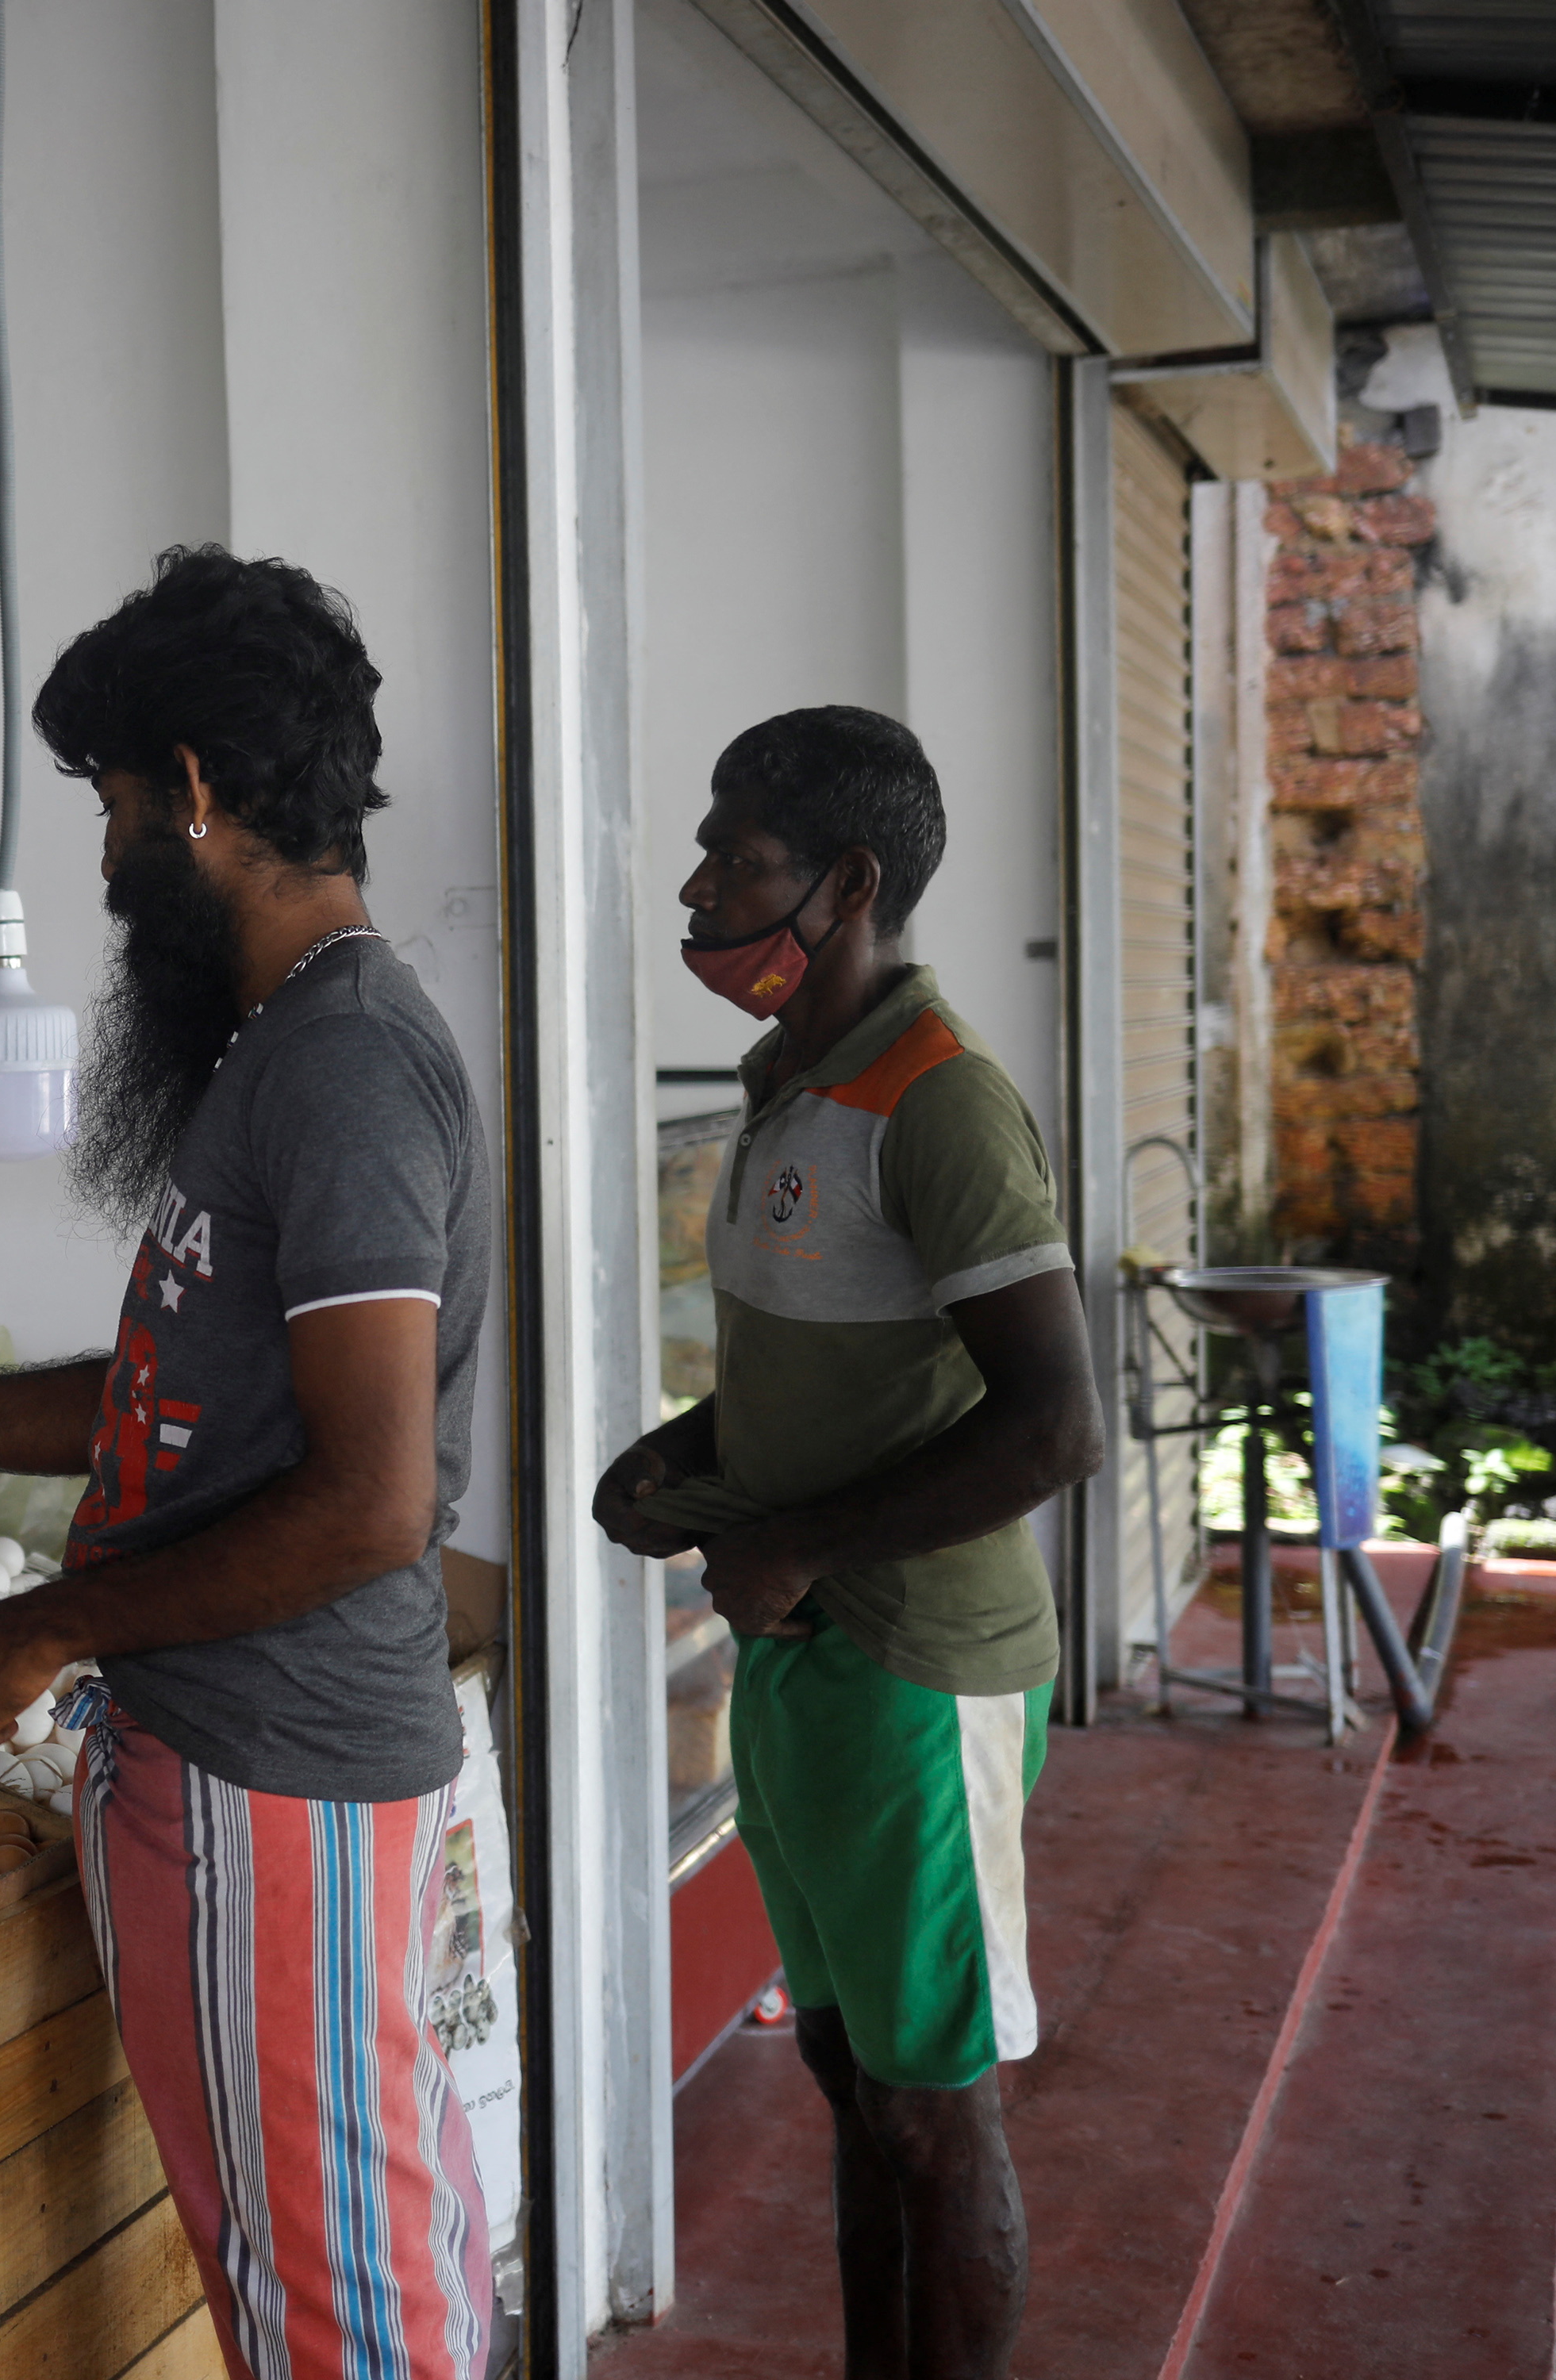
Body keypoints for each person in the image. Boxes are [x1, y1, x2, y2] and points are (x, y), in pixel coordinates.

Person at [0, 548, 494, 2380]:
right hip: (222, 1753)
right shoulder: (278, 1053)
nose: (106, 856)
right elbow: (150, 1396)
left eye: (113, 806)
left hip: (273, 1761)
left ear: (195, 790)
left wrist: (48, 1619)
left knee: (342, 2307)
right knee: (320, 2267)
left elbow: (370, 1504)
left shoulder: (349, 1068)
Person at [591, 707, 1104, 2380]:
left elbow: (1054, 1423)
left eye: (737, 859)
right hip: (802, 1665)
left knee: (939, 2119)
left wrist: (799, 1542)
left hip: (916, 1679)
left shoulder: (941, 1102)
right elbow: (826, 1381)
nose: (698, 888)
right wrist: (682, 1463)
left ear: (850, 883)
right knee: (851, 2083)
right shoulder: (786, 1093)